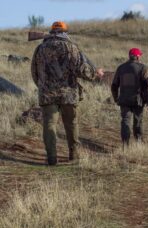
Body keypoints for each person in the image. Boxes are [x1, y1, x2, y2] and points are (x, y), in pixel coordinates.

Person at [31, 21, 104, 165]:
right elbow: (81, 70)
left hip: (47, 94)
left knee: (49, 125)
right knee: (71, 124)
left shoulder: (40, 48)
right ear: (65, 32)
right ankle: (74, 155)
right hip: (68, 94)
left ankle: (52, 158)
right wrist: (96, 74)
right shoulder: (71, 47)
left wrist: (43, 86)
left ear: (52, 32)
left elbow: (34, 72)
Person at [111, 48, 148, 146]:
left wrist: (116, 98)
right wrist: (147, 99)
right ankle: (139, 143)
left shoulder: (121, 68)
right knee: (138, 121)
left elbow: (114, 85)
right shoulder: (142, 68)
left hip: (124, 100)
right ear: (137, 56)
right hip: (138, 100)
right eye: (139, 55)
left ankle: (125, 144)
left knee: (125, 121)